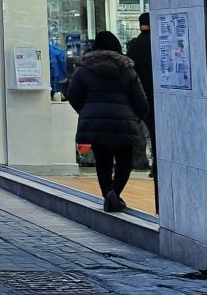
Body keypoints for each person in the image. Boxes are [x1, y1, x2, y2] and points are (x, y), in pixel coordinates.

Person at [67, 30, 150, 213]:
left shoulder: (83, 69)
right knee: (124, 160)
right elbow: (140, 99)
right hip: (124, 122)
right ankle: (116, 192)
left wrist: (87, 111)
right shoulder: (127, 69)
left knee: (103, 162)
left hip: (95, 124)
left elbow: (73, 95)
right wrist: (137, 117)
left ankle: (107, 195)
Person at [125, 13, 156, 177]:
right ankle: (158, 164)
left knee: (145, 131)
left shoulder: (135, 45)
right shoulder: (159, 42)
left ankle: (144, 163)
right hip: (159, 93)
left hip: (141, 94)